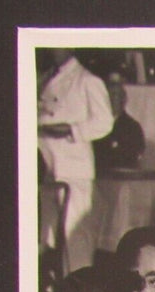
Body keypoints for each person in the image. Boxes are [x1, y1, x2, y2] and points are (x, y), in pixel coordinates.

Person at [38, 48, 114, 271]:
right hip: (48, 167)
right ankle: (58, 284)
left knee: (76, 238)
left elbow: (104, 123)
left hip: (74, 170)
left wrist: (70, 130)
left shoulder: (87, 80)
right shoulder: (46, 77)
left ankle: (81, 286)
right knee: (50, 238)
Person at [92, 72, 145, 172]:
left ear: (123, 100)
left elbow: (134, 156)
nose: (113, 100)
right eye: (110, 96)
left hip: (123, 176)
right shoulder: (94, 124)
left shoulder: (133, 127)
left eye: (116, 95)